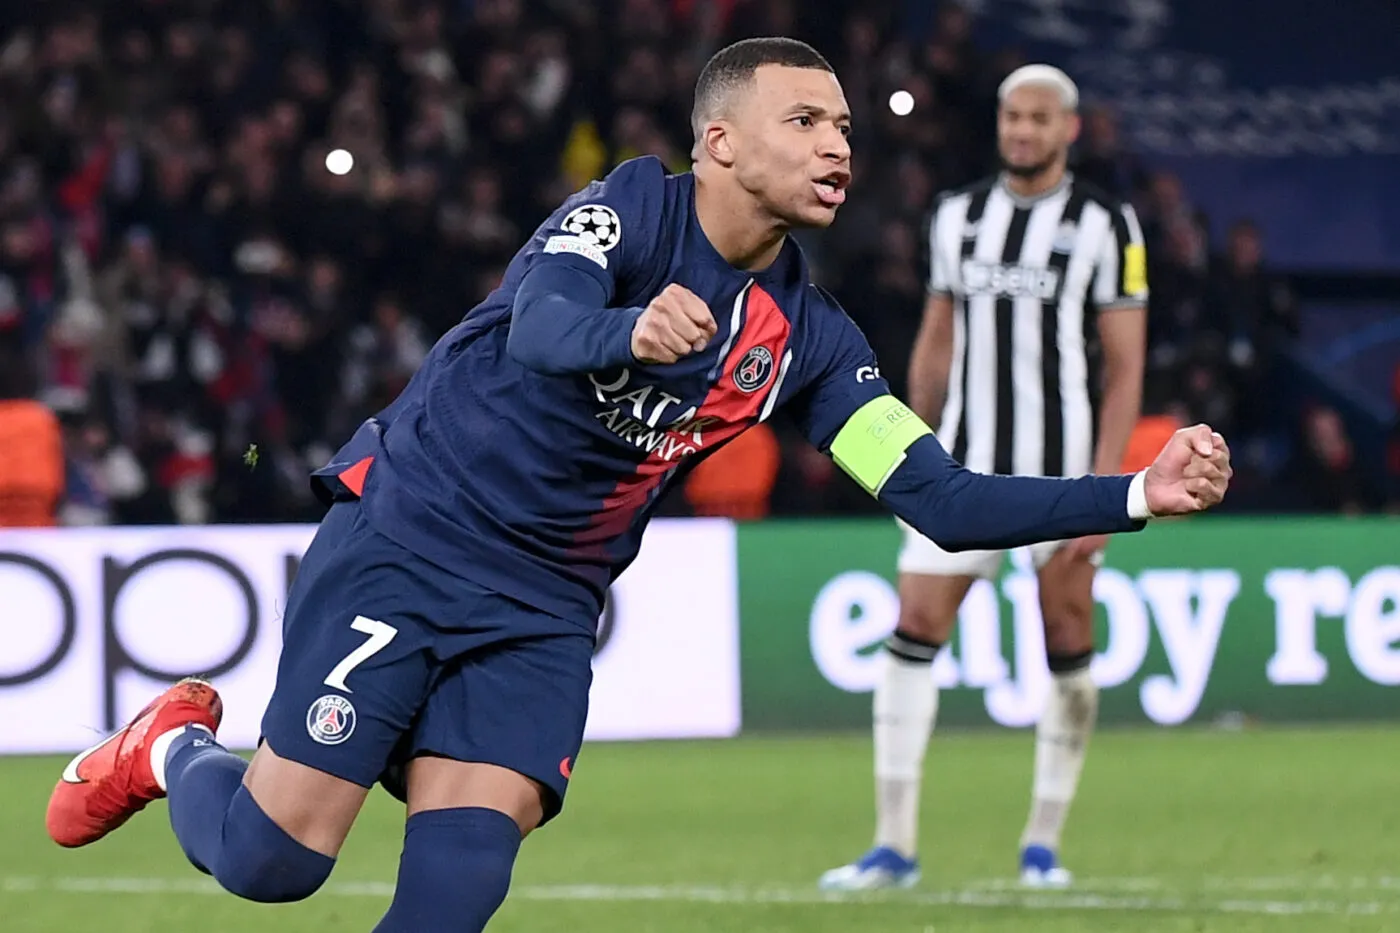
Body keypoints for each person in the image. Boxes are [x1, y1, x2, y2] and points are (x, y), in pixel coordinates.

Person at [46, 41, 1228, 931]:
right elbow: (542, 331)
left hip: (544, 610)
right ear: (719, 142)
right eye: (804, 120)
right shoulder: (625, 211)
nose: (838, 147)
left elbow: (943, 500)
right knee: (274, 865)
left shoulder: (807, 342)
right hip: (411, 538)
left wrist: (1130, 494)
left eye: (845, 127)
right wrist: (626, 333)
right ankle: (166, 752)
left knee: (454, 892)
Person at [820, 64, 1151, 893]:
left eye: (1039, 119)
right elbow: (937, 338)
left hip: (1065, 472)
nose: (1023, 131)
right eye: (1012, 116)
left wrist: (1108, 487)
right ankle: (892, 843)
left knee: (1067, 638)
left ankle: (1043, 842)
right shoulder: (958, 216)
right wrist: (907, 446)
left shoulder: (1108, 225)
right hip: (959, 468)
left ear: (1068, 128)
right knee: (914, 628)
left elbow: (1124, 366)